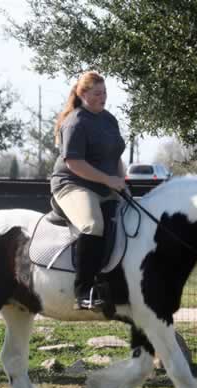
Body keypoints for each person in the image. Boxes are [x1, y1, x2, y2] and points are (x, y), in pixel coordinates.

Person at [51, 71, 127, 310]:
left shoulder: (109, 119)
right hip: (73, 184)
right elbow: (74, 163)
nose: (102, 97)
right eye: (97, 93)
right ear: (82, 94)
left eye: (104, 93)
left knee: (130, 220)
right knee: (93, 225)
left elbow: (115, 155)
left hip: (105, 185)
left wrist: (120, 180)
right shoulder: (75, 122)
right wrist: (108, 179)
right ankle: (83, 292)